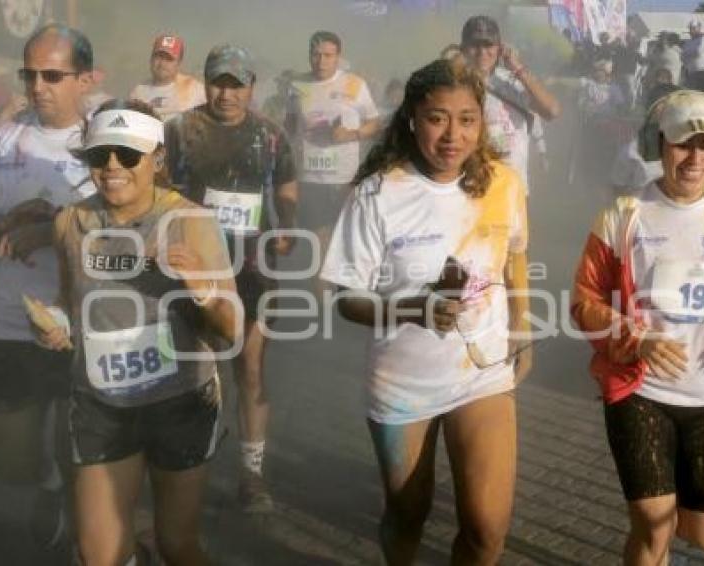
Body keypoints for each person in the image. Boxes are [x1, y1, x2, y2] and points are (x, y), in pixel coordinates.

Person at [321, 57, 531, 565]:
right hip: (403, 384)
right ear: (412, 118)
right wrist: (410, 309)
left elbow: (517, 254)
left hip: (482, 374)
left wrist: (522, 325)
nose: (452, 135)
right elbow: (344, 296)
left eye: (467, 119)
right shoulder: (378, 192)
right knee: (408, 514)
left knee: (486, 529)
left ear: (482, 124)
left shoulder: (504, 183)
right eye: (437, 118)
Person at [571, 90, 704, 565]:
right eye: (682, 144)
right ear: (660, 145)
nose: (694, 158)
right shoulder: (622, 216)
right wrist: (636, 336)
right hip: (642, 392)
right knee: (654, 523)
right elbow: (583, 303)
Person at [35, 99, 239, 565]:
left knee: (178, 546)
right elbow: (70, 303)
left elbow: (230, 331)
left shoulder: (191, 222)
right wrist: (56, 325)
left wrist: (202, 289)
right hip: (102, 404)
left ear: (157, 159)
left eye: (128, 155)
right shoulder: (70, 222)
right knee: (98, 555)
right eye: (99, 155)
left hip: (181, 403)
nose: (111, 166)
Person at [0, 24, 97, 549]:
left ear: (86, 79)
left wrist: (52, 225)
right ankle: (49, 483)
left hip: (89, 321)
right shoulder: (2, 139)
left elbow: (137, 223)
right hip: (12, 318)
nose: (37, 86)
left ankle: (92, 540)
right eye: (29, 74)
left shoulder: (108, 139)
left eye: (52, 75)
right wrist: (5, 225)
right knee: (13, 463)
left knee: (84, 450)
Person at [166, 44, 298, 513]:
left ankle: (251, 473)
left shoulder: (273, 136)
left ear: (251, 87)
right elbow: (156, 186)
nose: (227, 93)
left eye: (236, 84)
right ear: (205, 82)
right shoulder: (180, 130)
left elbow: (286, 190)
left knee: (250, 368)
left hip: (252, 267)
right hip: (192, 266)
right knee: (192, 369)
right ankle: (188, 466)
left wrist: (286, 227)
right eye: (219, 82)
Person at [284, 30, 379, 300]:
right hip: (310, 178)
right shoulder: (297, 85)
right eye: (315, 55)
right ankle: (324, 306)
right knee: (320, 243)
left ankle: (352, 300)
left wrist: (350, 134)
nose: (321, 61)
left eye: (328, 55)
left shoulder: (354, 84)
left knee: (349, 242)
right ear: (309, 56)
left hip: (345, 179)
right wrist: (292, 145)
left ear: (338, 57)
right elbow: (289, 126)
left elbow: (374, 123)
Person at [460, 15, 561, 192]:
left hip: (511, 190)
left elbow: (551, 110)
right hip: (467, 187)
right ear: (463, 49)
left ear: (500, 49)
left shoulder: (513, 81)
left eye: (488, 45)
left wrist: (517, 67)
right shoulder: (454, 84)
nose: (482, 52)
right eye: (475, 45)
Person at [129, 34, 205, 122]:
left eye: (169, 59)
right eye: (159, 57)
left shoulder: (195, 89)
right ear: (151, 59)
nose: (162, 64)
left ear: (179, 63)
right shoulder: (138, 92)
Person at [682, 20, 704, 94]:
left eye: (694, 28)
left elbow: (699, 51)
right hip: (692, 73)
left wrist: (689, 55)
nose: (692, 30)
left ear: (699, 28)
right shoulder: (688, 43)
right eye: (690, 28)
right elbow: (683, 57)